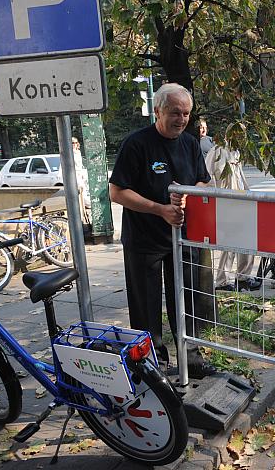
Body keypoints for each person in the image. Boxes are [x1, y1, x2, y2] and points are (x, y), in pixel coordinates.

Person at [109, 83, 216, 378]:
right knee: (146, 308)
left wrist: (189, 194)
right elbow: (117, 192)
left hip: (182, 239)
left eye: (186, 113)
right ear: (158, 111)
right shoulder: (137, 144)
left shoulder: (190, 143)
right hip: (145, 241)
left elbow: (203, 181)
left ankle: (191, 359)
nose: (181, 119)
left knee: (187, 301)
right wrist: (160, 209)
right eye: (175, 113)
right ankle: (152, 365)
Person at [205, 144, 262, 293]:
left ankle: (243, 278)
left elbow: (240, 177)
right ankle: (222, 281)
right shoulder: (216, 151)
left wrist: (249, 195)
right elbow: (207, 177)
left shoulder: (236, 150)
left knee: (248, 239)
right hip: (226, 203)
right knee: (229, 242)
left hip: (241, 201)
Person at [71, 137, 91, 210]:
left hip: (80, 173)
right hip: (74, 174)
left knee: (84, 189)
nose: (74, 144)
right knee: (80, 188)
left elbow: (80, 165)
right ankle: (85, 204)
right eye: (72, 143)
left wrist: (82, 173)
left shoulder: (78, 152)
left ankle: (86, 204)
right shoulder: (70, 153)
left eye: (76, 142)